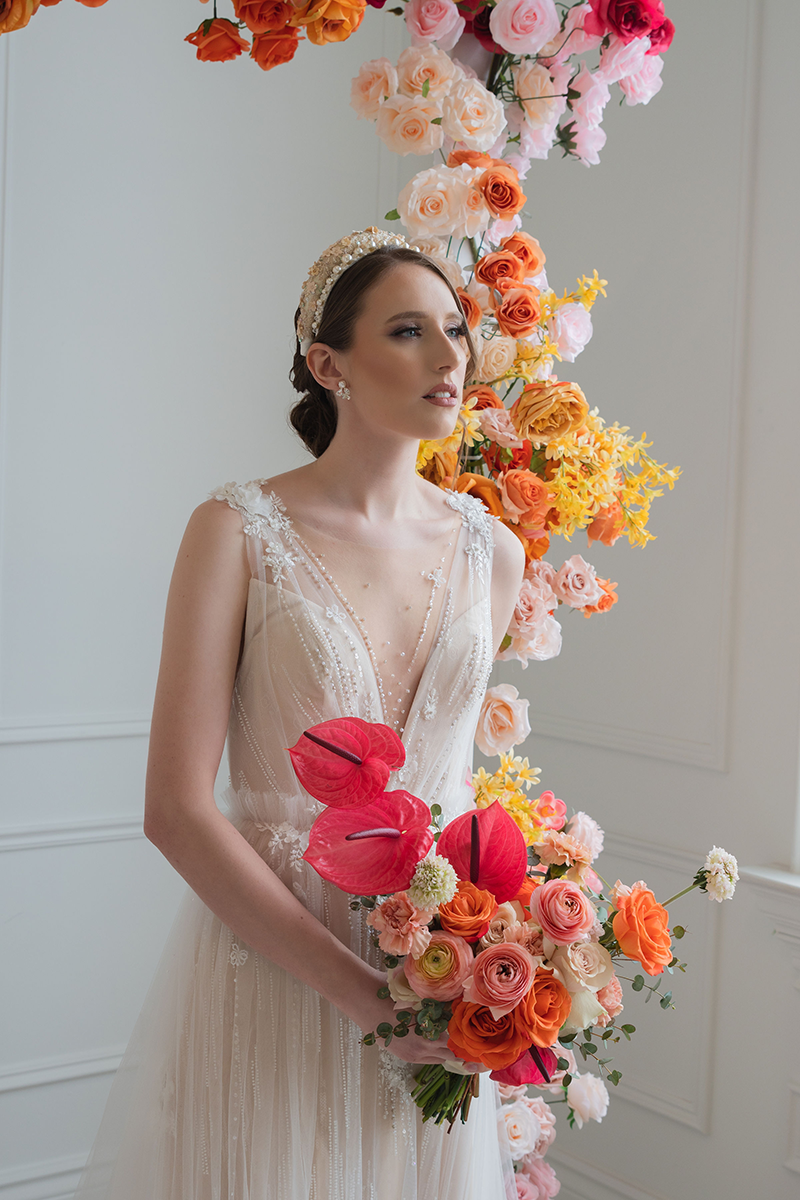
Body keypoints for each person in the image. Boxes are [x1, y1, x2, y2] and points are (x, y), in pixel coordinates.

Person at [73, 228, 525, 1199]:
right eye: (409, 331)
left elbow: (459, 784)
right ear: (328, 363)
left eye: (455, 328)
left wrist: (493, 968)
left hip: (440, 977)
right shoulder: (235, 531)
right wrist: (370, 1005)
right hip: (275, 969)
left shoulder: (493, 552)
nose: (451, 357)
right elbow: (175, 810)